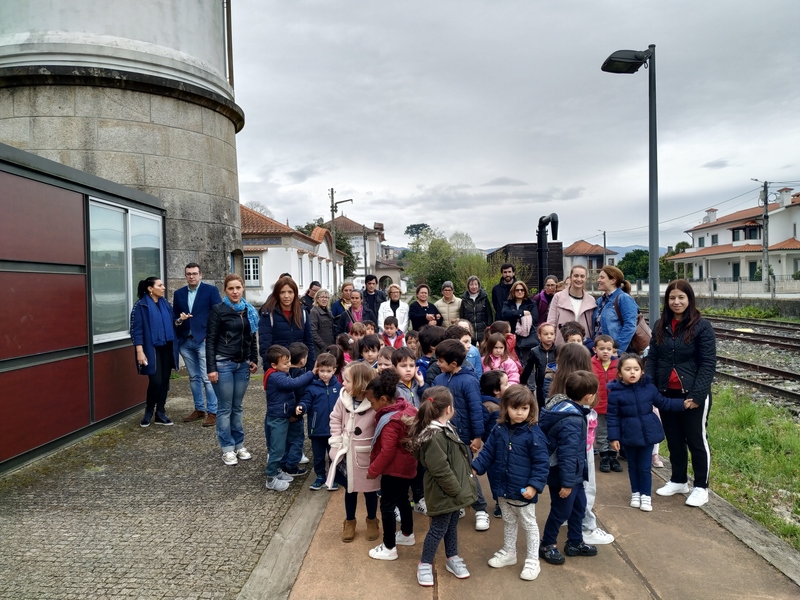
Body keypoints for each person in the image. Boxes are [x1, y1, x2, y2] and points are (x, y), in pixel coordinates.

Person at [647, 279, 716, 508]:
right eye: (672, 298)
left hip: (692, 393)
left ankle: (701, 487)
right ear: (667, 301)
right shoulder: (660, 325)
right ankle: (678, 480)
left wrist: (697, 396)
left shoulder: (702, 327)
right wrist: (652, 390)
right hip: (667, 394)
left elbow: (708, 364)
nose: (676, 302)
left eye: (681, 297)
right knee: (674, 439)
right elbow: (653, 360)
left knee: (696, 439)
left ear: (689, 299)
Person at [472, 385, 550, 581]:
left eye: (524, 408)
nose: (519, 413)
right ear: (505, 407)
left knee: (529, 524)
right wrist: (475, 467)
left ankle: (533, 560)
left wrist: (534, 486)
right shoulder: (499, 430)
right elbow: (488, 452)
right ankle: (509, 552)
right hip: (503, 487)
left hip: (523, 491)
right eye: (515, 408)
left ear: (531, 409)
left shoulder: (534, 434)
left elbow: (542, 464)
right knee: (509, 520)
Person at [406, 386, 478, 587]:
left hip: (452, 490)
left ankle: (452, 557)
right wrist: (456, 489)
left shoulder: (445, 428)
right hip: (444, 491)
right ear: (448, 409)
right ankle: (425, 563)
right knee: (438, 528)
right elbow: (440, 469)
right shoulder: (435, 435)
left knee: (452, 523)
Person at [546, 343, 613, 546]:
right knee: (585, 486)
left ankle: (575, 529)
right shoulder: (582, 396)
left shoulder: (556, 390)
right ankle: (585, 527)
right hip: (581, 449)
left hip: (561, 452)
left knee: (567, 496)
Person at [608, 353, 687, 512]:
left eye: (636, 369)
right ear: (619, 372)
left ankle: (646, 495)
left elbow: (664, 403)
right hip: (629, 435)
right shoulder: (616, 393)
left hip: (647, 435)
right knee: (632, 466)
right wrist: (614, 437)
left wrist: (683, 404)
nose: (632, 372)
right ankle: (635, 493)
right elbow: (612, 417)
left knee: (644, 466)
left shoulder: (649, 389)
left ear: (642, 371)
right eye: (628, 369)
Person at [538, 370, 599, 565]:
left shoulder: (563, 405)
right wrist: (567, 483)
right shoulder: (572, 420)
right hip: (563, 474)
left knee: (579, 506)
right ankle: (547, 544)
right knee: (561, 510)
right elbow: (567, 454)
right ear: (588, 397)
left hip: (573, 473)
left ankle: (575, 541)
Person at [432, 339, 489, 531]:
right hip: (442, 435)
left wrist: (478, 436)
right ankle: (459, 504)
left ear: (453, 364)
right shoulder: (439, 380)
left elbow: (476, 410)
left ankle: (480, 508)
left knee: (466, 471)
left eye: (440, 361)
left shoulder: (469, 380)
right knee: (449, 471)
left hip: (463, 437)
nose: (437, 364)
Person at [205, 274, 259, 466]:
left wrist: (254, 358)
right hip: (224, 363)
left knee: (237, 407)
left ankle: (239, 444)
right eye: (231, 289)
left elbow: (251, 336)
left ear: (243, 288)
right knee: (225, 408)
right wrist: (211, 368)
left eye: (238, 288)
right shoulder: (218, 310)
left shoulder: (248, 310)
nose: (235, 292)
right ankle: (227, 448)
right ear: (225, 291)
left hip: (242, 364)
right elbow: (210, 340)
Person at [365, 369, 419, 561]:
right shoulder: (407, 409)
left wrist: (373, 470)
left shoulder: (390, 421)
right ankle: (407, 533)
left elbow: (386, 451)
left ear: (384, 400)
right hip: (408, 467)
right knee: (403, 500)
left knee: (387, 506)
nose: (371, 407)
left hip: (393, 470)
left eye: (372, 402)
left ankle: (389, 547)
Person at [327, 362, 382, 542]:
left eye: (347, 380)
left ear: (360, 383)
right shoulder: (343, 398)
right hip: (347, 453)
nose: (342, 383)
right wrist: (335, 444)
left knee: (370, 491)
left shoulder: (375, 401)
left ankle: (372, 520)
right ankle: (349, 521)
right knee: (349, 490)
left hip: (367, 454)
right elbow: (335, 419)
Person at [173, 262, 222, 427]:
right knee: (193, 378)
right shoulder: (179, 294)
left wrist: (211, 336)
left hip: (204, 341)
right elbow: (174, 317)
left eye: (194, 273)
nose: (191, 276)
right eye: (188, 274)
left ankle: (213, 412)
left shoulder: (210, 290)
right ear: (185, 275)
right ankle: (199, 409)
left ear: (200, 275)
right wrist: (180, 320)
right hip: (186, 342)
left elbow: (218, 313)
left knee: (207, 378)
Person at [263, 345, 316, 492]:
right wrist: (312, 373)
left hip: (282, 416)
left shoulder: (278, 373)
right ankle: (271, 478)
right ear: (274, 365)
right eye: (285, 363)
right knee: (277, 449)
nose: (288, 366)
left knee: (281, 446)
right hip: (277, 418)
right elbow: (294, 383)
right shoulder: (275, 376)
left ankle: (278, 471)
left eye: (289, 362)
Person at [131, 276, 181, 427]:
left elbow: (172, 321)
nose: (163, 287)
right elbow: (136, 330)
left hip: (167, 347)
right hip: (150, 349)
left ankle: (160, 412)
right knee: (156, 380)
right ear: (150, 289)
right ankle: (148, 411)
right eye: (160, 285)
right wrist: (139, 351)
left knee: (165, 381)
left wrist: (180, 320)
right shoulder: (141, 306)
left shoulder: (165, 303)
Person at [297, 353, 342, 491]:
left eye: (328, 371)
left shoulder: (339, 387)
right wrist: (302, 407)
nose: (325, 374)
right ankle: (320, 477)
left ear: (334, 370)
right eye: (322, 371)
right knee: (318, 457)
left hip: (334, 431)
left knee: (334, 456)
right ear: (317, 370)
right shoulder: (312, 387)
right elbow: (306, 401)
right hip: (316, 429)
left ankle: (334, 478)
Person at [259, 275, 316, 369]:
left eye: (290, 292)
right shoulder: (269, 314)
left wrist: (310, 370)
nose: (286, 296)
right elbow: (265, 345)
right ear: (277, 294)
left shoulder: (303, 313)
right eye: (282, 292)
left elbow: (309, 342)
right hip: (278, 368)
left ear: (295, 293)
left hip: (298, 368)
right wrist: (270, 370)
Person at [591, 334, 621, 474]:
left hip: (615, 406)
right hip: (599, 405)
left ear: (613, 350)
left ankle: (613, 456)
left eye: (609, 349)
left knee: (615, 430)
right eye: (601, 348)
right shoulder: (591, 365)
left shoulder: (619, 365)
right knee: (601, 431)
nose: (605, 351)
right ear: (594, 349)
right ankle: (604, 456)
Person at [547, 265, 595, 346]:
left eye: (582, 276)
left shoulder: (591, 300)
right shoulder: (558, 297)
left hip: (584, 346)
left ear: (585, 278)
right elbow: (552, 322)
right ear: (570, 277)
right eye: (576, 276)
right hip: (562, 345)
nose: (579, 279)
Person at [594, 266, 639, 353]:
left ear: (613, 280)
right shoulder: (600, 301)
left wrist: (617, 350)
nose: (598, 280)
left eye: (602, 277)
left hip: (614, 353)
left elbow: (630, 326)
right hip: (601, 352)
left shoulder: (624, 298)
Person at [500, 280, 539, 365]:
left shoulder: (531, 303)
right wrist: (522, 313)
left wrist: (514, 314)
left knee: (527, 362)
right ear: (513, 291)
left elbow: (534, 319)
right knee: (512, 362)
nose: (520, 292)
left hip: (527, 336)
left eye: (522, 290)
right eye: (517, 290)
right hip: (511, 335)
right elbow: (505, 314)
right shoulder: (508, 303)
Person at [520, 323, 556, 408]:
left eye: (552, 334)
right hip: (540, 385)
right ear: (539, 336)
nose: (549, 336)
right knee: (542, 406)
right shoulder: (535, 351)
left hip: (555, 384)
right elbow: (528, 368)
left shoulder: (558, 350)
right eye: (546, 334)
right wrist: (522, 382)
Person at [460, 276, 493, 343]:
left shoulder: (484, 298)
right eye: (471, 284)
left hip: (483, 330)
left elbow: (489, 314)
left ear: (478, 285)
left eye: (475, 284)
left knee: (484, 351)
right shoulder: (464, 300)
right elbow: (462, 316)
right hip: (470, 330)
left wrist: (489, 327)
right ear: (468, 286)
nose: (474, 287)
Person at [309, 288, 335, 357]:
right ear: (317, 299)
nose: (324, 299)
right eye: (322, 297)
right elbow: (313, 331)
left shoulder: (329, 312)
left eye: (326, 297)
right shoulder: (314, 312)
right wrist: (323, 345)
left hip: (330, 346)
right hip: (320, 349)